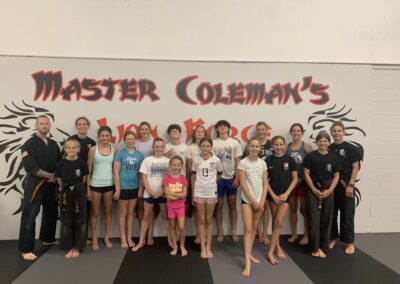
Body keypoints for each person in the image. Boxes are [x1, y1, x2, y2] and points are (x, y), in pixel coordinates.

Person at [19, 115, 61, 260]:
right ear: (36, 125)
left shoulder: (54, 144)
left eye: (47, 124)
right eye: (41, 123)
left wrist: (56, 176)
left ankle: (47, 238)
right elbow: (30, 166)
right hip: (35, 184)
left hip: (51, 184)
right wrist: (50, 176)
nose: (44, 126)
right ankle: (26, 249)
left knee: (51, 212)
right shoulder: (29, 143)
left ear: (50, 126)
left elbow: (60, 162)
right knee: (29, 215)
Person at [303, 130, 340, 258]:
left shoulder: (333, 157)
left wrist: (330, 190)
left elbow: (336, 176)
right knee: (314, 219)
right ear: (316, 142)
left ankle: (323, 247)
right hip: (313, 189)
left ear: (328, 142)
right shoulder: (311, 156)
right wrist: (313, 189)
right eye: (320, 141)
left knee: (326, 219)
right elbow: (306, 174)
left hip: (328, 190)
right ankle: (314, 248)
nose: (323, 143)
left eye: (325, 141)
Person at [328, 121, 362, 255]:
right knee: (331, 213)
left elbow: (356, 166)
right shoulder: (329, 148)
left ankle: (350, 243)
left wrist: (351, 185)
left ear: (343, 131)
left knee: (347, 214)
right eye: (334, 131)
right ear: (331, 133)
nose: (336, 133)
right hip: (331, 185)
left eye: (339, 131)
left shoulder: (350, 148)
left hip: (346, 184)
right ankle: (332, 239)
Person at [133, 138, 170, 252]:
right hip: (149, 194)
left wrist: (163, 192)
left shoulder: (168, 161)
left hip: (163, 194)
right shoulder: (147, 160)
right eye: (157, 146)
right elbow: (143, 177)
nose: (159, 148)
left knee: (166, 218)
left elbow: (171, 178)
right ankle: (140, 242)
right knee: (145, 217)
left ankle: (170, 240)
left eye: (161, 146)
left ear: (164, 147)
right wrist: (150, 191)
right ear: (153, 148)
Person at [238, 138, 268, 278]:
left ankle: (249, 254)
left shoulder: (263, 163)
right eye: (252, 146)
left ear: (260, 149)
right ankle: (247, 263)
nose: (255, 148)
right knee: (248, 229)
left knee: (254, 229)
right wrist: (253, 201)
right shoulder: (243, 163)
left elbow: (265, 184)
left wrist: (261, 201)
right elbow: (243, 184)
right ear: (248, 147)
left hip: (259, 200)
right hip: (247, 200)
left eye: (257, 146)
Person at [266, 136, 298, 265]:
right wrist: (273, 195)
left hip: (285, 196)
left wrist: (286, 193)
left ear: (284, 145)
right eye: (276, 145)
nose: (278, 147)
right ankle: (277, 247)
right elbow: (265, 181)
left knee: (279, 223)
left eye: (281, 144)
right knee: (275, 223)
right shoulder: (268, 160)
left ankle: (270, 250)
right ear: (272, 146)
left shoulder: (290, 160)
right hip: (272, 197)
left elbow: (295, 178)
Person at [55, 139, 89, 259]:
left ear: (78, 149)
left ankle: (78, 247)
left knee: (80, 219)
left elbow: (84, 178)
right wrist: (65, 188)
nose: (71, 150)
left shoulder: (82, 163)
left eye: (74, 147)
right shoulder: (60, 164)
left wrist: (77, 188)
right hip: (65, 191)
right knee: (66, 220)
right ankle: (68, 246)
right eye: (68, 148)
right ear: (65, 150)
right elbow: (58, 179)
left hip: (79, 190)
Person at [191, 137, 223, 258]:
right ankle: (202, 247)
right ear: (200, 147)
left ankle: (208, 246)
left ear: (211, 147)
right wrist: (193, 193)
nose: (205, 148)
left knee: (209, 219)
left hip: (211, 192)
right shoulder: (196, 159)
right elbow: (193, 177)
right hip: (199, 192)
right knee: (201, 219)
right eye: (203, 146)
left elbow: (219, 175)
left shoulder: (216, 160)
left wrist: (210, 184)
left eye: (207, 146)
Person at [87, 126, 116, 251]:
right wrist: (87, 188)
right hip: (95, 185)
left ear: (110, 136)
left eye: (107, 135)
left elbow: (115, 169)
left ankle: (106, 237)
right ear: (98, 137)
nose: (105, 138)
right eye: (102, 135)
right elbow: (88, 170)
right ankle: (94, 239)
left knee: (108, 213)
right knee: (94, 213)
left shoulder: (114, 148)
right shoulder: (93, 150)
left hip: (109, 185)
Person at [213, 120, 243, 242]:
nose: (223, 128)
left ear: (229, 128)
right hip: (218, 179)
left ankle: (234, 231)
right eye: (220, 126)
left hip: (231, 178)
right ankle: (220, 232)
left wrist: (237, 177)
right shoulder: (213, 143)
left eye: (225, 126)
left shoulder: (234, 143)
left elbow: (237, 161)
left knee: (232, 205)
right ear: (217, 129)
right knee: (218, 205)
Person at [113, 131, 144, 248]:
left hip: (135, 187)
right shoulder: (120, 154)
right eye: (128, 139)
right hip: (123, 188)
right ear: (125, 141)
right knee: (123, 213)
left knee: (131, 213)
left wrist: (140, 189)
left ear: (135, 140)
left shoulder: (140, 155)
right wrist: (117, 189)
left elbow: (142, 174)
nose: (130, 141)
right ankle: (123, 238)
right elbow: (116, 172)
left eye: (132, 139)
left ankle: (129, 237)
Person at [69, 116, 96, 244]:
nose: (82, 126)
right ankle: (72, 237)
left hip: (87, 180)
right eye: (79, 124)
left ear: (88, 126)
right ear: (76, 126)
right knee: (72, 210)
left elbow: (93, 163)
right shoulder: (71, 140)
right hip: (72, 180)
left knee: (85, 210)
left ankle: (83, 237)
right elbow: (65, 160)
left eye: (84, 124)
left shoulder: (92, 142)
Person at [286, 123, 313, 245]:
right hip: (291, 183)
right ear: (291, 132)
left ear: (302, 132)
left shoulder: (307, 146)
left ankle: (307, 235)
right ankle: (294, 234)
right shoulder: (286, 147)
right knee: (293, 209)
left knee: (304, 210)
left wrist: (304, 179)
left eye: (298, 131)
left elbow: (313, 165)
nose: (296, 133)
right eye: (294, 131)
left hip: (303, 182)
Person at [252, 121, 274, 244]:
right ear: (257, 131)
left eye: (263, 129)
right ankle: (258, 232)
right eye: (259, 129)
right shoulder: (252, 144)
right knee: (257, 207)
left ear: (266, 131)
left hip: (270, 180)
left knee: (266, 207)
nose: (261, 131)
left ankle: (265, 233)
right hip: (255, 181)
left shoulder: (272, 145)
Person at [187, 125, 208, 244]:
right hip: (196, 180)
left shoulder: (210, 147)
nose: (199, 133)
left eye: (202, 132)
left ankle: (205, 233)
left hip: (208, 182)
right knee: (196, 208)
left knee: (207, 210)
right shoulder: (191, 148)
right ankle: (198, 234)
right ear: (194, 134)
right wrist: (192, 180)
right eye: (197, 132)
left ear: (205, 134)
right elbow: (189, 166)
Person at [163, 156, 188, 256]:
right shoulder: (167, 178)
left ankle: (182, 246)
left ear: (181, 166)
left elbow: (184, 194)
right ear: (170, 166)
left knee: (181, 227)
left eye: (178, 165)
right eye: (174, 165)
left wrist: (174, 195)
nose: (176, 167)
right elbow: (167, 194)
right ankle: (175, 246)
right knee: (172, 226)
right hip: (170, 207)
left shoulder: (183, 178)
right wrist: (177, 195)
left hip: (180, 207)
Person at [135, 121, 155, 245]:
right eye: (142, 129)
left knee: (150, 209)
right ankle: (142, 235)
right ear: (139, 131)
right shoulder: (136, 143)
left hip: (151, 178)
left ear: (150, 130)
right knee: (140, 209)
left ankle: (150, 235)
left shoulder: (154, 142)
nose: (144, 131)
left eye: (146, 129)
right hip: (137, 177)